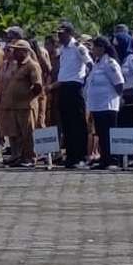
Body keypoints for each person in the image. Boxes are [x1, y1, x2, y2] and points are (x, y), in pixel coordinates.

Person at [49, 22, 92, 168]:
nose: (59, 36)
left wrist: (84, 82)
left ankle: (81, 156)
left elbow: (90, 64)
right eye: (58, 34)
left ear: (69, 33)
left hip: (75, 87)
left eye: (62, 33)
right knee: (67, 123)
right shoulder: (63, 49)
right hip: (63, 87)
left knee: (78, 124)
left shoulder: (78, 48)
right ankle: (71, 156)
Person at [0, 40, 43, 168]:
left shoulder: (32, 65)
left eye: (17, 50)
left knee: (28, 133)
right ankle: (20, 156)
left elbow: (38, 85)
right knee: (17, 134)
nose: (14, 52)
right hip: (15, 106)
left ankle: (30, 157)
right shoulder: (16, 65)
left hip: (26, 106)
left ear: (25, 51)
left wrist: (27, 97)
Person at [85, 37, 125, 170]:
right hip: (97, 105)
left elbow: (119, 83)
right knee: (101, 133)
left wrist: (119, 99)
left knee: (108, 133)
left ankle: (112, 160)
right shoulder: (97, 63)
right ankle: (104, 158)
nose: (93, 49)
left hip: (108, 104)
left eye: (95, 47)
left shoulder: (109, 62)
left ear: (102, 48)